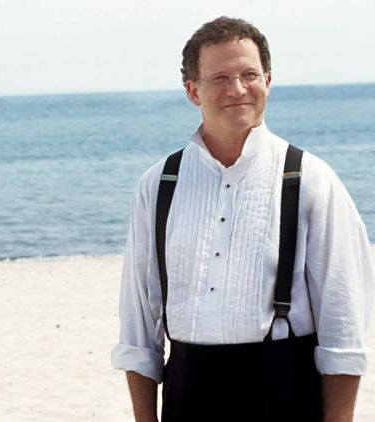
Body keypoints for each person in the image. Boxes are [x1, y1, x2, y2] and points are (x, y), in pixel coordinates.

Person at [111, 16, 374, 422]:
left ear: (267, 81)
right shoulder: (159, 184)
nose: (237, 89)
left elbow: (343, 332)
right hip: (187, 397)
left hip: (285, 396)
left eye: (249, 75)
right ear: (192, 90)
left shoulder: (310, 179)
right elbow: (138, 331)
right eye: (220, 78)